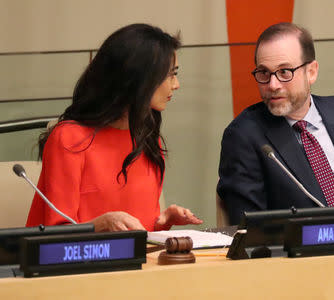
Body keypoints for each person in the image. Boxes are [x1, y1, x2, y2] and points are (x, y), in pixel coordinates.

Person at [26, 23, 203, 232]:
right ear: (137, 78)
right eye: (170, 74)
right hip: (79, 263)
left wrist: (162, 222)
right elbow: (54, 234)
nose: (176, 84)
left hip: (135, 262)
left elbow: (139, 235)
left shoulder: (147, 137)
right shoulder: (69, 138)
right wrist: (99, 225)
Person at [217, 23, 334, 225]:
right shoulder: (245, 136)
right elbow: (251, 227)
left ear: (311, 72)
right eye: (263, 73)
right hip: (307, 252)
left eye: (284, 72)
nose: (273, 85)